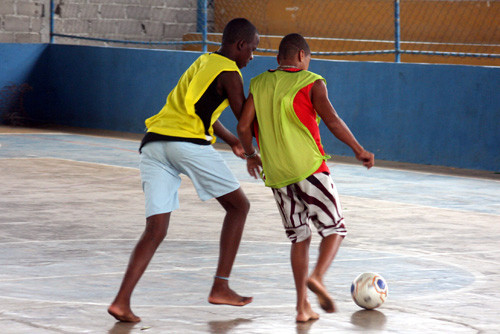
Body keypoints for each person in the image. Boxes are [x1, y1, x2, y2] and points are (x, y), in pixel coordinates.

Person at [108, 18, 260, 323]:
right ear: (240, 45)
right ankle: (220, 286)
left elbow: (198, 110)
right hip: (186, 144)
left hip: (153, 144)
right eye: (253, 50)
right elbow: (245, 119)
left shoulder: (203, 61)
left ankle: (121, 302)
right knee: (239, 207)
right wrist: (252, 152)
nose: (252, 57)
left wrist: (230, 142)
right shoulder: (231, 72)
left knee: (155, 230)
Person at [237, 33, 374, 322]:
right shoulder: (311, 81)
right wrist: (358, 149)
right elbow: (333, 120)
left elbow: (243, 126)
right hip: (310, 169)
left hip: (277, 175)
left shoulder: (259, 84)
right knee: (335, 228)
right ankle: (318, 277)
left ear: (278, 59)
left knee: (299, 238)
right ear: (301, 56)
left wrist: (251, 155)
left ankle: (302, 308)